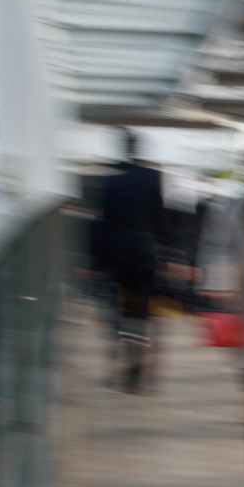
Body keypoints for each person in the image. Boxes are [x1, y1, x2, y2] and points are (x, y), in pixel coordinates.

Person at [94, 130, 167, 391]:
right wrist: (166, 256)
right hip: (145, 255)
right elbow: (160, 221)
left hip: (119, 257)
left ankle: (127, 359)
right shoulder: (153, 177)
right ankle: (140, 359)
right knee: (143, 311)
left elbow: (103, 222)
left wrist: (98, 263)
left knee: (123, 310)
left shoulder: (111, 180)